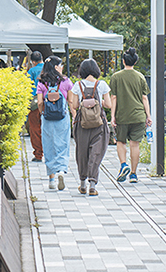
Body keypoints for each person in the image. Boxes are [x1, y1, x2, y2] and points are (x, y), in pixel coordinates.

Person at [68, 59, 112, 196]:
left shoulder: (77, 85)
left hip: (82, 124)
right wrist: (98, 102)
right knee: (96, 153)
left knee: (82, 153)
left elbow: (74, 105)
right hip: (99, 124)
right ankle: (92, 185)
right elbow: (109, 105)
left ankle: (82, 184)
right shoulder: (102, 84)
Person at [109, 48, 152, 184]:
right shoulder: (140, 77)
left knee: (121, 142)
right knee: (135, 145)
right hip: (138, 115)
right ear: (135, 61)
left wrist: (112, 116)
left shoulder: (116, 76)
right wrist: (148, 115)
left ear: (123, 61)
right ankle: (133, 174)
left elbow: (114, 98)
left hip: (122, 115)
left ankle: (123, 165)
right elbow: (144, 98)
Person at [37, 56, 73, 190]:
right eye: (61, 65)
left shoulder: (42, 82)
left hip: (47, 118)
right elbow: (71, 101)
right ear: (56, 67)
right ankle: (62, 171)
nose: (62, 67)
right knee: (63, 144)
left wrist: (42, 113)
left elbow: (40, 102)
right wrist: (73, 115)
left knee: (49, 145)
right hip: (62, 118)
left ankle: (51, 179)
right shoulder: (66, 81)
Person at [26, 51, 44, 163]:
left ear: (33, 61)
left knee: (35, 129)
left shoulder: (31, 71)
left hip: (34, 104)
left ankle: (38, 154)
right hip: (48, 103)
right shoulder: (48, 69)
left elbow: (28, 88)